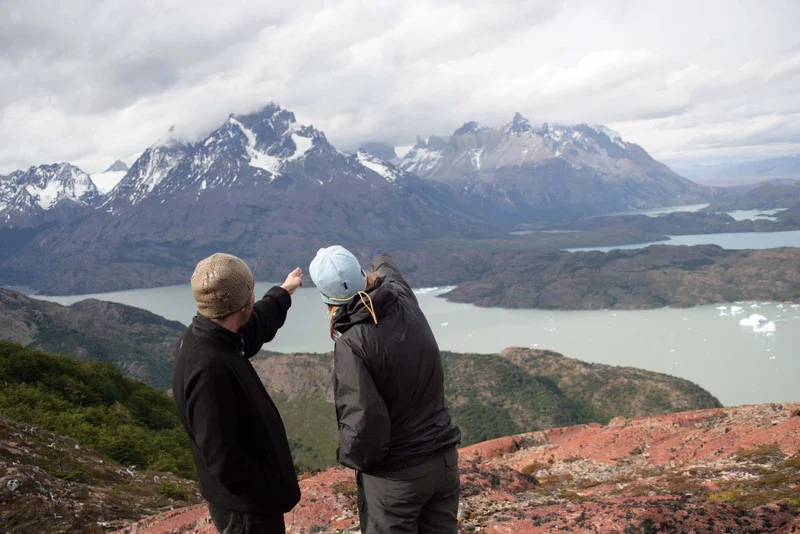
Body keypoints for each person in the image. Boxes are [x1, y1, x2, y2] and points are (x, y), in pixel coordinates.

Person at [309, 246, 461, 534]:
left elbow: (362, 425)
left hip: (397, 480)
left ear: (326, 299)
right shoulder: (401, 295)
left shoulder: (351, 343)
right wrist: (378, 256)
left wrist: (349, 456)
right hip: (443, 460)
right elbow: (387, 268)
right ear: (362, 274)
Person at [172, 253, 304, 534]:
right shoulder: (209, 367)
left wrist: (284, 291)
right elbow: (224, 461)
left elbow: (254, 325)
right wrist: (273, 489)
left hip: (250, 504)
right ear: (245, 303)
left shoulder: (211, 334)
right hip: (248, 512)